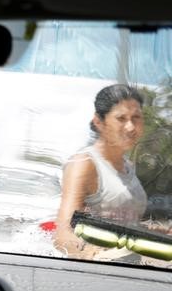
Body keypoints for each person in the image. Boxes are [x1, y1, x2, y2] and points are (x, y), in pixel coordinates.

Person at [54, 84, 149, 259]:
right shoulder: (85, 164)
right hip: (95, 276)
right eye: (121, 118)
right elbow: (62, 235)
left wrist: (168, 233)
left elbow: (124, 223)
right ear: (99, 122)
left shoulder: (127, 166)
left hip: (131, 275)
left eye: (136, 117)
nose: (131, 127)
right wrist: (97, 254)